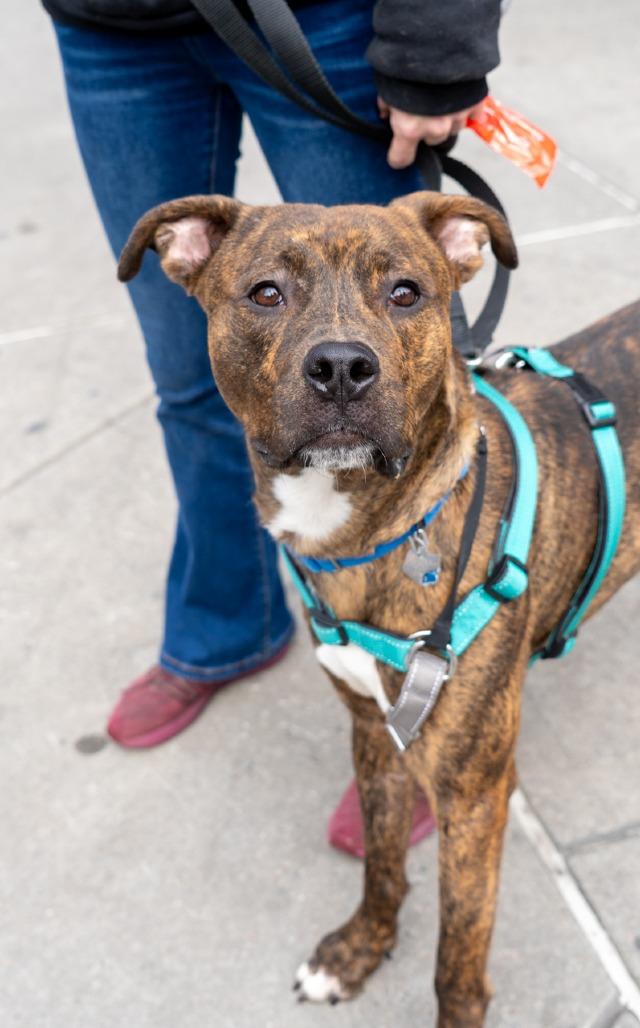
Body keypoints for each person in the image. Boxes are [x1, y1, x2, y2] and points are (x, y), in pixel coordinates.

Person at [44, 0, 502, 858]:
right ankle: (228, 626)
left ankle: (423, 700)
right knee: (195, 383)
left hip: (327, 17)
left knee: (387, 368)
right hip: (113, 25)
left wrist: (438, 41)